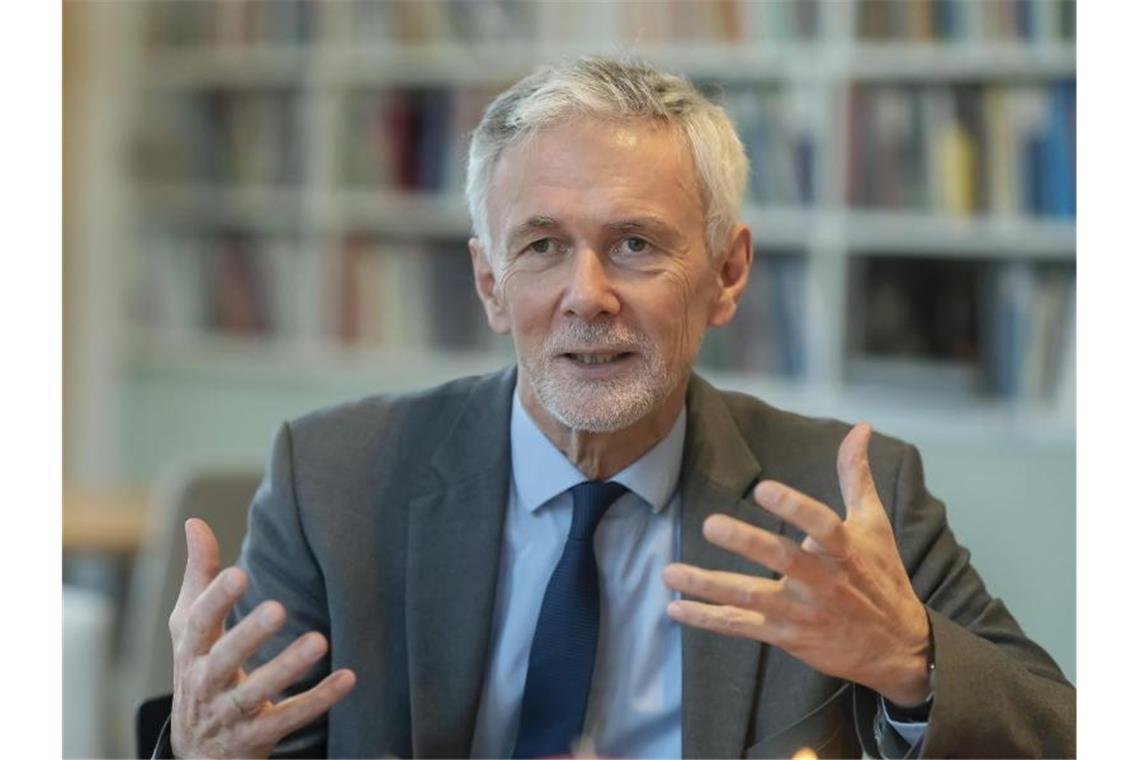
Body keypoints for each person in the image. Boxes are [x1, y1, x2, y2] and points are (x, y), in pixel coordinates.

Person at [152, 56, 1075, 759]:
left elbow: (1062, 729)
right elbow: (262, 740)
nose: (586, 296)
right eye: (543, 246)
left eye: (635, 244)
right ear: (489, 282)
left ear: (727, 274)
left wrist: (913, 662)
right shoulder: (334, 482)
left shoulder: (837, 495)